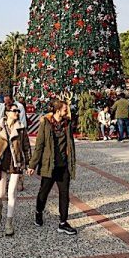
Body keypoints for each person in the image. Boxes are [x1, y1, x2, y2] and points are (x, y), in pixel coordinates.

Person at [27, 99, 77, 236]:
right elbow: (39, 145)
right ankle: (39, 211)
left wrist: (71, 161)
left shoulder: (67, 123)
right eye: (65, 109)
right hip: (49, 165)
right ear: (57, 110)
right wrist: (32, 165)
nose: (67, 111)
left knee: (64, 194)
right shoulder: (46, 123)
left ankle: (63, 222)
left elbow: (70, 143)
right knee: (44, 192)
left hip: (63, 165)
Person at [0, 102, 31, 236]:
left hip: (15, 163)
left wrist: (29, 164)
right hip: (1, 163)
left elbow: (26, 147)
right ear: (7, 113)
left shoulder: (21, 128)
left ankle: (9, 222)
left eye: (18, 111)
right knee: (0, 194)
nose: (17, 113)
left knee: (12, 193)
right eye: (14, 111)